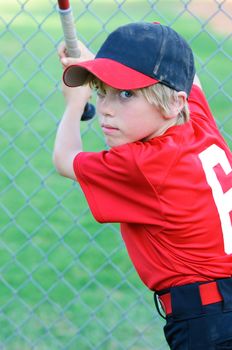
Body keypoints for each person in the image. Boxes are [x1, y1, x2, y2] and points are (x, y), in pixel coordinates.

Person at [53, 22, 232, 349]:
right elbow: (188, 77)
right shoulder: (198, 123)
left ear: (175, 103)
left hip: (208, 327)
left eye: (126, 94)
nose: (105, 107)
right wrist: (100, 64)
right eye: (101, 90)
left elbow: (65, 159)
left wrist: (74, 104)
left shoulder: (143, 164)